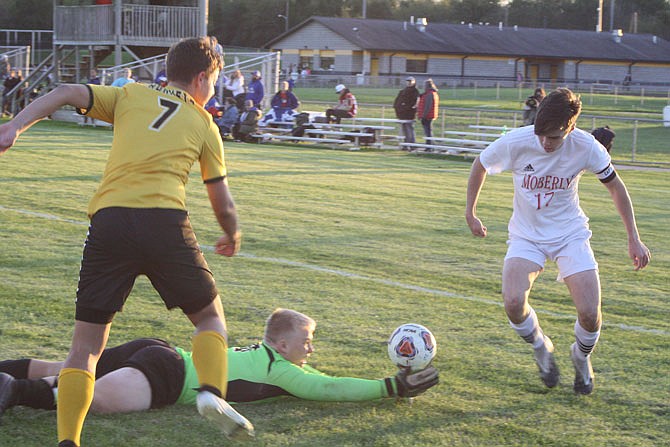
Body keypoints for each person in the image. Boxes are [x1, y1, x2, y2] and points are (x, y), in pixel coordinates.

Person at [0, 37, 254, 446]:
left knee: (85, 349)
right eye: (215, 82)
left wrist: (14, 126)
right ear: (203, 77)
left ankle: (68, 440)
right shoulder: (205, 124)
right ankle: (211, 393)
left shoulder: (130, 95)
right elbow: (221, 201)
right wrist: (232, 232)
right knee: (209, 318)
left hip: (110, 222)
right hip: (165, 223)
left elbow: (65, 92)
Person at [465, 88, 651, 396]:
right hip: (527, 235)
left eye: (554, 137)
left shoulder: (586, 147)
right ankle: (541, 346)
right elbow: (480, 164)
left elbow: (617, 188)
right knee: (512, 303)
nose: (545, 143)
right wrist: (470, 213)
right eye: (541, 135)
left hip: (570, 234)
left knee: (591, 314)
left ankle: (581, 357)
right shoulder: (517, 141)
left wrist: (634, 238)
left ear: (571, 127)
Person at [0, 308, 439, 418]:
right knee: (95, 399)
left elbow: (324, 378)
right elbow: (328, 388)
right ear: (282, 344)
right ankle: (11, 391)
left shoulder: (265, 355)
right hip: (167, 374)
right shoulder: (280, 370)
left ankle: (10, 370)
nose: (311, 350)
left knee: (70, 366)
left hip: (158, 350)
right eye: (306, 342)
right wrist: (391, 387)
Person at [393, 76, 420, 144]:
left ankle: (411, 144)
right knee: (405, 129)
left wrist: (407, 107)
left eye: (410, 81)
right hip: (402, 114)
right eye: (408, 81)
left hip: (409, 114)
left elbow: (414, 103)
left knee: (409, 129)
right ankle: (406, 143)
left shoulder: (415, 91)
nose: (409, 83)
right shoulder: (403, 91)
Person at [417, 79, 439, 147]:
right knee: (428, 131)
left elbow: (427, 106)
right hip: (429, 115)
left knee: (428, 132)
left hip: (428, 116)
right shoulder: (430, 93)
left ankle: (429, 146)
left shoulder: (430, 94)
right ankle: (429, 145)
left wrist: (423, 116)